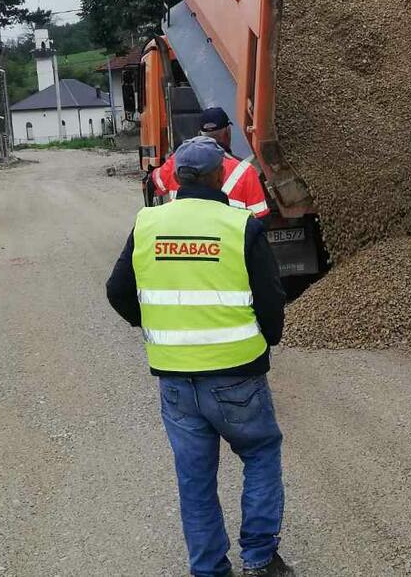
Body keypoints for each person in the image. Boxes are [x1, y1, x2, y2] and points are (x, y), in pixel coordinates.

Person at [107, 135, 292, 577]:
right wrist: (269, 337)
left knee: (194, 477)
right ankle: (260, 558)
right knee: (262, 452)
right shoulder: (240, 226)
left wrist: (153, 326)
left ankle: (209, 568)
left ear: (177, 176)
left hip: (175, 378)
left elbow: (117, 292)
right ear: (220, 175)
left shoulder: (149, 223)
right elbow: (271, 298)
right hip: (236, 375)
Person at [150, 107, 270, 219]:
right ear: (228, 133)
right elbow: (261, 218)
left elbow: (152, 183)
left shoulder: (176, 161)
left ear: (199, 134)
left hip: (184, 238)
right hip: (228, 239)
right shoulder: (245, 171)